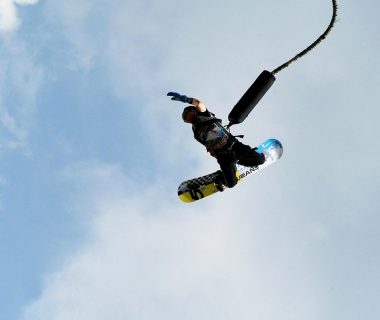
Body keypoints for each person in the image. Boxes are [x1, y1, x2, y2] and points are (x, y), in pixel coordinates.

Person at [168, 92, 265, 190]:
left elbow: (199, 104)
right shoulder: (196, 133)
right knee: (231, 184)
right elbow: (208, 145)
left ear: (192, 111)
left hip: (234, 146)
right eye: (184, 119)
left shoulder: (203, 115)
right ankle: (220, 177)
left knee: (261, 160)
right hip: (224, 156)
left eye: (185, 115)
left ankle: (240, 161)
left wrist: (185, 99)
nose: (185, 118)